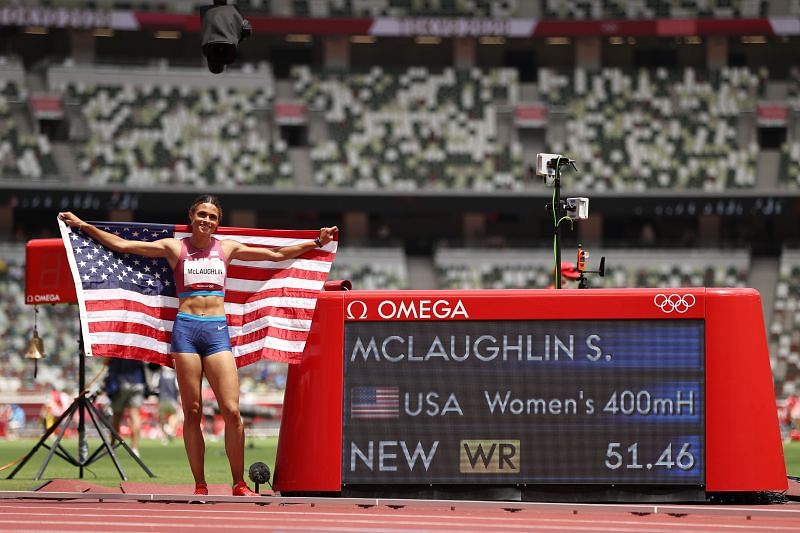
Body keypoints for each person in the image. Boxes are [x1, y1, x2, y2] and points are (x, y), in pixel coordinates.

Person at [59, 195, 337, 497]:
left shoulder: (226, 248)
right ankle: (200, 484)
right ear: (192, 217)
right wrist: (83, 225)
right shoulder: (174, 247)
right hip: (186, 331)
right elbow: (123, 246)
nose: (206, 220)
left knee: (231, 410)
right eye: (202, 214)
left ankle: (238, 483)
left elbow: (274, 254)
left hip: (217, 331)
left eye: (213, 217)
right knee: (192, 411)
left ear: (218, 221)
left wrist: (315, 242)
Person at [106, 357, 146, 456]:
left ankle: (112, 446)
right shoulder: (138, 341)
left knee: (117, 416)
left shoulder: (116, 342)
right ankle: (134, 448)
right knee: (135, 415)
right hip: (138, 381)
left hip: (120, 380)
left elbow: (106, 361)